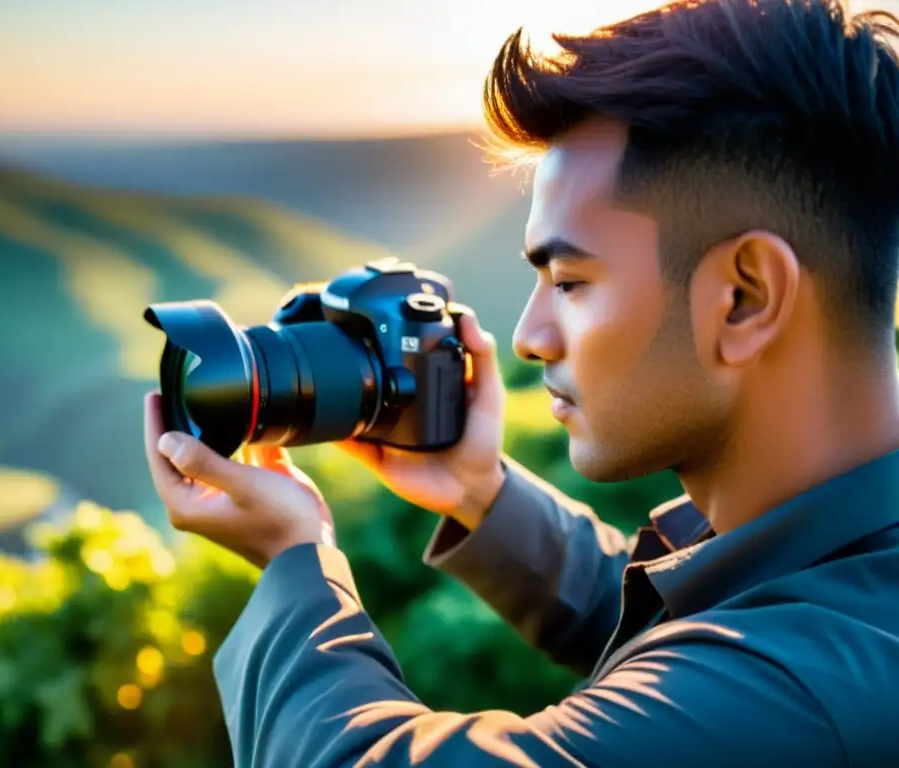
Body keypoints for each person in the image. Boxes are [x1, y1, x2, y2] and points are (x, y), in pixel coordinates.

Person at [144, 0, 899, 764]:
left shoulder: (808, 688)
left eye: (569, 281)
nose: (530, 338)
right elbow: (679, 617)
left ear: (745, 297)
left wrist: (294, 559)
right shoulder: (839, 579)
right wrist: (480, 494)